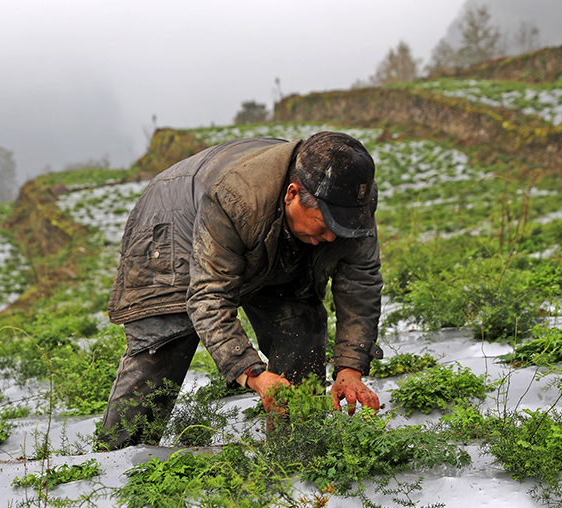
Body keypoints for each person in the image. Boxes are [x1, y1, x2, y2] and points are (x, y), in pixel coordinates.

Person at [98, 131, 384, 450]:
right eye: (323, 225)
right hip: (172, 221)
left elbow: (361, 282)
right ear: (293, 193)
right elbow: (209, 297)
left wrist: (350, 368)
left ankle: (296, 448)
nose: (332, 238)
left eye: (339, 228)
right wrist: (254, 375)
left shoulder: (353, 199)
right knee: (165, 341)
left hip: (266, 234)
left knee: (300, 320)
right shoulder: (237, 196)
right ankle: (116, 459)